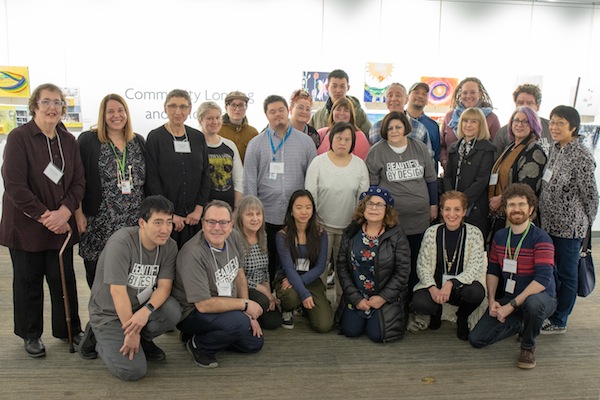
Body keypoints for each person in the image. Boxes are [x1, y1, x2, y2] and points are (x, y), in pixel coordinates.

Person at [0, 83, 85, 357]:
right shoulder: (19, 137)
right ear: (35, 105)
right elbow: (14, 185)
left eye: (58, 102)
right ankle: (30, 334)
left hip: (60, 225)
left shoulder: (69, 141)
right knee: (28, 282)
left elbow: (78, 182)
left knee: (64, 280)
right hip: (26, 226)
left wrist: (64, 212)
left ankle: (69, 330)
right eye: (47, 101)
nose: (53, 107)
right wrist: (46, 216)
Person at [81, 195, 181, 381]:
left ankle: (143, 339)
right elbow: (117, 292)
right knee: (133, 371)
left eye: (169, 222)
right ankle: (97, 337)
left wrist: (146, 312)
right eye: (158, 222)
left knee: (173, 310)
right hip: (109, 313)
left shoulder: (169, 246)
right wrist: (132, 331)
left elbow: (164, 287)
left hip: (138, 308)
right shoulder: (121, 243)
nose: (165, 229)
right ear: (142, 223)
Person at [469, 183, 556, 369]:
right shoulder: (500, 237)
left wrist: (511, 305)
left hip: (540, 298)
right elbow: (493, 271)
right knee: (477, 339)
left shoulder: (541, 238)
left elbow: (543, 280)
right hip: (510, 298)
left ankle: (528, 345)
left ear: (531, 208)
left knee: (533, 304)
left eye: (521, 204)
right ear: (505, 208)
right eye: (511, 205)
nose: (516, 209)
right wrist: (492, 300)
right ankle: (521, 324)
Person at [173, 200, 264, 368]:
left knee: (254, 343)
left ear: (231, 224)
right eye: (211, 222)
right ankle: (198, 345)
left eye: (223, 222)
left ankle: (206, 335)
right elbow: (203, 305)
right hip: (192, 311)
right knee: (239, 323)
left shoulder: (234, 237)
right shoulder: (192, 253)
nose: (217, 227)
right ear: (203, 223)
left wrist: (249, 315)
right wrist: (244, 305)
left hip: (224, 304)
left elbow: (239, 274)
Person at [244, 95, 317, 285]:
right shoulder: (256, 144)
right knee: (267, 260)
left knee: (293, 261)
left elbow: (312, 179)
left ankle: (289, 300)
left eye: (281, 110)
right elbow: (249, 180)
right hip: (265, 215)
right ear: (266, 115)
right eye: (272, 111)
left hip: (295, 216)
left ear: (288, 111)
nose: (277, 115)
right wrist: (252, 214)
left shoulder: (306, 142)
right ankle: (269, 299)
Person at [76, 94, 146, 288]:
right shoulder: (88, 140)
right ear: (103, 115)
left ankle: (128, 316)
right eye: (111, 111)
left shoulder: (138, 141)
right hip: (99, 222)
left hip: (132, 222)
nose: (117, 115)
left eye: (120, 110)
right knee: (97, 275)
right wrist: (78, 212)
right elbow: (77, 179)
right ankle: (101, 316)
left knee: (130, 275)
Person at [539, 105, 598, 334]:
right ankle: (552, 310)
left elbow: (591, 197)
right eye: (552, 122)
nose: (554, 127)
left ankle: (560, 320)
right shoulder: (554, 148)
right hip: (549, 224)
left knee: (567, 273)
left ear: (573, 127)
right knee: (552, 271)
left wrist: (584, 224)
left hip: (569, 229)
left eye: (560, 123)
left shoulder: (582, 156)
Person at [365, 111, 438, 295]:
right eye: (390, 128)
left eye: (398, 127)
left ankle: (413, 299)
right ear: (384, 131)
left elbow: (431, 179)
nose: (394, 131)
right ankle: (391, 299)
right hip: (391, 219)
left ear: (405, 128)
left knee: (415, 260)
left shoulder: (420, 148)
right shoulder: (376, 151)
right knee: (391, 261)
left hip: (419, 217)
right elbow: (372, 187)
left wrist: (434, 205)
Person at [305, 122, 369, 302]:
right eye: (339, 138)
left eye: (347, 139)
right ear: (331, 139)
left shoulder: (359, 165)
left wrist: (356, 224)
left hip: (349, 228)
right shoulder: (318, 163)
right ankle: (319, 304)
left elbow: (362, 200)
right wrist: (314, 222)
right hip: (321, 226)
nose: (342, 142)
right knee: (320, 268)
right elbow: (310, 195)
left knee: (345, 268)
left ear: (352, 142)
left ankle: (344, 304)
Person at [337, 186, 410, 342]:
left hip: (384, 297)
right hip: (358, 295)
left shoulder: (396, 235)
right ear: (363, 207)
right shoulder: (351, 232)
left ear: (387, 210)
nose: (374, 208)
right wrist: (356, 298)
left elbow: (403, 271)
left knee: (377, 335)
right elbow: (342, 267)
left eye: (379, 205)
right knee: (350, 331)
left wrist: (383, 297)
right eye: (370, 204)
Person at [412, 191, 486, 340]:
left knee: (477, 293)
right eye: (447, 209)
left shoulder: (475, 233)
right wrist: (433, 288)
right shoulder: (431, 233)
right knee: (419, 303)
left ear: (464, 211)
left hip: (461, 287)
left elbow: (475, 267)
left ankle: (462, 317)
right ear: (441, 211)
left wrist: (451, 283)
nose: (452, 214)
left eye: (457, 209)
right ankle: (436, 310)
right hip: (436, 286)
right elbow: (422, 266)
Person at [145, 89, 211, 249]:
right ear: (165, 108)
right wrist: (168, 215)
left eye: (183, 107)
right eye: (172, 106)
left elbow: (205, 174)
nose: (178, 111)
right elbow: (152, 180)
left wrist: (198, 209)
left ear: (189, 109)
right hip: (166, 220)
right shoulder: (155, 137)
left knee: (193, 263)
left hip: (194, 218)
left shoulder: (197, 137)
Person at [275, 190, 333, 332]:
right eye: (299, 207)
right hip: (287, 279)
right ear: (291, 211)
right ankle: (287, 310)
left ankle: (305, 308)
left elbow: (320, 267)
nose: (304, 212)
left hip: (311, 280)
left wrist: (301, 285)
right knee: (291, 297)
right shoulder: (282, 235)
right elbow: (288, 268)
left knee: (324, 326)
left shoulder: (320, 233)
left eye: (308, 207)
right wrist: (304, 293)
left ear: (313, 210)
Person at [488, 106, 547, 240]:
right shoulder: (511, 146)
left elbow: (527, 188)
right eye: (516, 120)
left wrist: (501, 199)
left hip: (517, 214)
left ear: (533, 125)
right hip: (501, 212)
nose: (519, 125)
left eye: (525, 121)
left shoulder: (534, 151)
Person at [443, 107, 496, 238]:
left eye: (474, 121)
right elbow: (447, 176)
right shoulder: (454, 148)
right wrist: (451, 199)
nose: (468, 125)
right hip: (453, 208)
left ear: (481, 125)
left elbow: (482, 180)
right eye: (465, 121)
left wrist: (461, 201)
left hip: (475, 209)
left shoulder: (488, 149)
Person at [234, 195, 283, 329]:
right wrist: (265, 293)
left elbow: (265, 270)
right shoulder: (236, 239)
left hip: (261, 289)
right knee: (263, 302)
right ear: (241, 217)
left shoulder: (263, 236)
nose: (255, 219)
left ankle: (257, 314)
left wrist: (269, 294)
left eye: (258, 214)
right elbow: (238, 276)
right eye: (249, 214)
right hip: (243, 289)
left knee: (274, 322)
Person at [440, 77, 500, 170]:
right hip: (451, 171)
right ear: (460, 95)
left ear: (480, 94)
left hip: (479, 174)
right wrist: (445, 162)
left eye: (472, 92)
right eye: (464, 92)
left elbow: (496, 148)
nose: (468, 96)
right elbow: (442, 145)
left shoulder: (491, 118)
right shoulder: (449, 117)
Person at [368, 83, 434, 164]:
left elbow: (429, 158)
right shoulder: (376, 128)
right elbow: (371, 159)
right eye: (390, 95)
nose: (394, 99)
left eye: (398, 95)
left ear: (406, 99)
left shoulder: (419, 128)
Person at [197, 101, 243, 210]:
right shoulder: (195, 146)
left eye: (218, 118)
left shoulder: (230, 145)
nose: (215, 122)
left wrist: (236, 208)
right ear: (200, 120)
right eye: (210, 118)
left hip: (228, 208)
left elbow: (239, 179)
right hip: (201, 209)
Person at [493, 84, 552, 158]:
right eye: (520, 103)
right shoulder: (503, 133)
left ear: (538, 106)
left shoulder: (551, 127)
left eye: (529, 103)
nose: (525, 106)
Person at [310, 69, 372, 134]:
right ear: (327, 87)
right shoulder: (318, 116)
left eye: (342, 87)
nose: (338, 90)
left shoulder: (358, 113)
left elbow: (369, 137)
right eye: (334, 86)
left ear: (348, 88)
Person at [407, 82, 441, 169]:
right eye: (416, 92)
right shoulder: (397, 121)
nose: (420, 96)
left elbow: (435, 156)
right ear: (408, 96)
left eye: (424, 94)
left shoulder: (433, 126)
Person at [218, 90, 259, 162]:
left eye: (241, 105)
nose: (237, 109)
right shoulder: (217, 130)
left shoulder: (253, 133)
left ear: (246, 107)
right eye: (233, 105)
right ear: (226, 108)